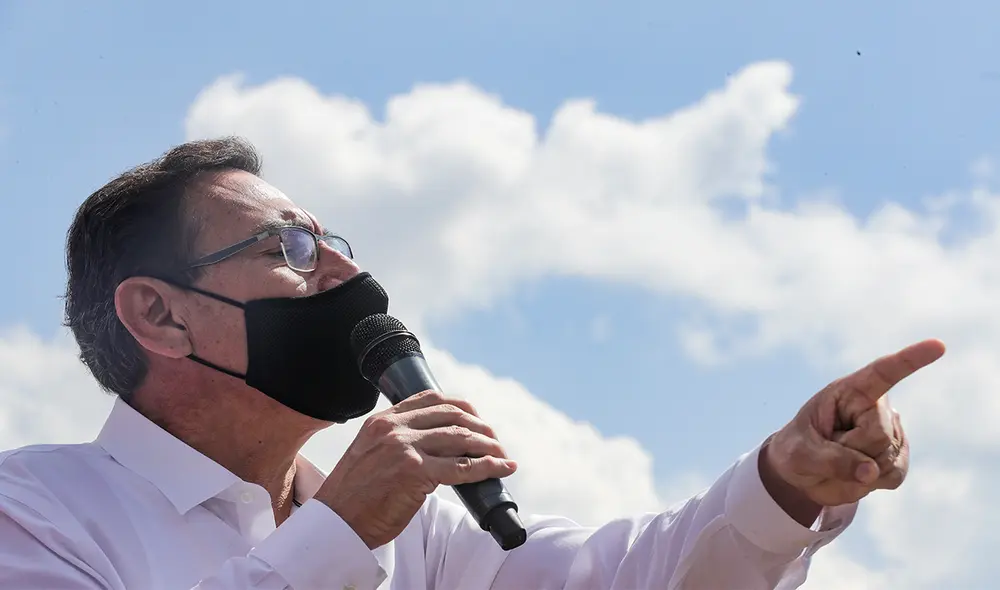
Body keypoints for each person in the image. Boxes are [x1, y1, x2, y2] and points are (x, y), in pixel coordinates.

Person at [0, 137, 944, 590]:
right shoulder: (34, 517)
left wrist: (785, 481)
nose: (347, 273)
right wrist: (336, 532)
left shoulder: (427, 539)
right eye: (291, 248)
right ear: (159, 316)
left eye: (337, 240)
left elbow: (636, 579)